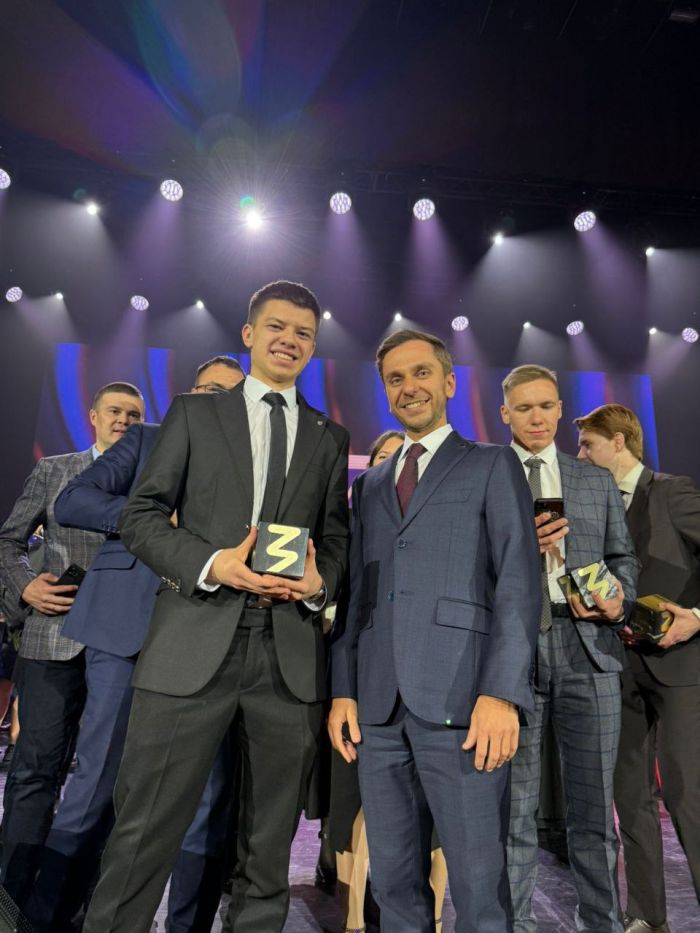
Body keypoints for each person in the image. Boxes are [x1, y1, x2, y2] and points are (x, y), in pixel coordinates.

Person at [82, 281, 350, 933]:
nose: (289, 340)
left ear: (314, 346)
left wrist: (318, 581)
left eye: (304, 333)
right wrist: (211, 563)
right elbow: (142, 516)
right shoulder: (194, 415)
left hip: (289, 660)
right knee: (143, 833)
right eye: (277, 326)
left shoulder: (329, 436)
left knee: (266, 851)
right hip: (190, 641)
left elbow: (337, 539)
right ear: (250, 334)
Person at [329, 329, 541, 933]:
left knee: (477, 886)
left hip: (464, 704)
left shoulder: (492, 464)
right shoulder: (370, 485)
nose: (409, 388)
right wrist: (344, 689)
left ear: (449, 383)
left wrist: (502, 693)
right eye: (395, 379)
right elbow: (356, 599)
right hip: (378, 711)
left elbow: (519, 585)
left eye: (421, 373)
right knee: (393, 883)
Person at [24, 356, 244, 933]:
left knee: (204, 794)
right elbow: (74, 501)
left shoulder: (255, 462)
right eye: (207, 390)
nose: (215, 401)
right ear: (188, 394)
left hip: (208, 632)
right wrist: (151, 516)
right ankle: (49, 919)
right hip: (124, 625)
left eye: (228, 394)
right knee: (97, 778)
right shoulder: (147, 439)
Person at [499, 364, 639, 933]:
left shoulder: (593, 480)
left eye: (545, 406)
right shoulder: (487, 474)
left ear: (559, 410)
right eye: (524, 408)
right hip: (513, 652)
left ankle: (601, 924)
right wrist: (520, 546)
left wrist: (618, 599)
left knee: (594, 811)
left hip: (590, 650)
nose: (536, 417)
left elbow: (622, 557)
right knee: (514, 812)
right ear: (505, 413)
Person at [0, 383, 145, 909]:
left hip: (124, 643)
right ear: (93, 417)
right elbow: (9, 542)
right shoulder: (55, 469)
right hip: (52, 636)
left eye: (134, 415)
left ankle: (73, 906)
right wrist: (26, 587)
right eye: (115, 411)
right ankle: (11, 897)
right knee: (34, 769)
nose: (124, 420)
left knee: (103, 776)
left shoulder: (153, 482)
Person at [575, 403, 700, 933]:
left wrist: (696, 617)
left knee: (688, 794)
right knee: (630, 797)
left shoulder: (672, 493)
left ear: (619, 442)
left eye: (588, 445)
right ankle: (647, 916)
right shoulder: (591, 504)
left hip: (680, 666)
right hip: (618, 666)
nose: (581, 456)